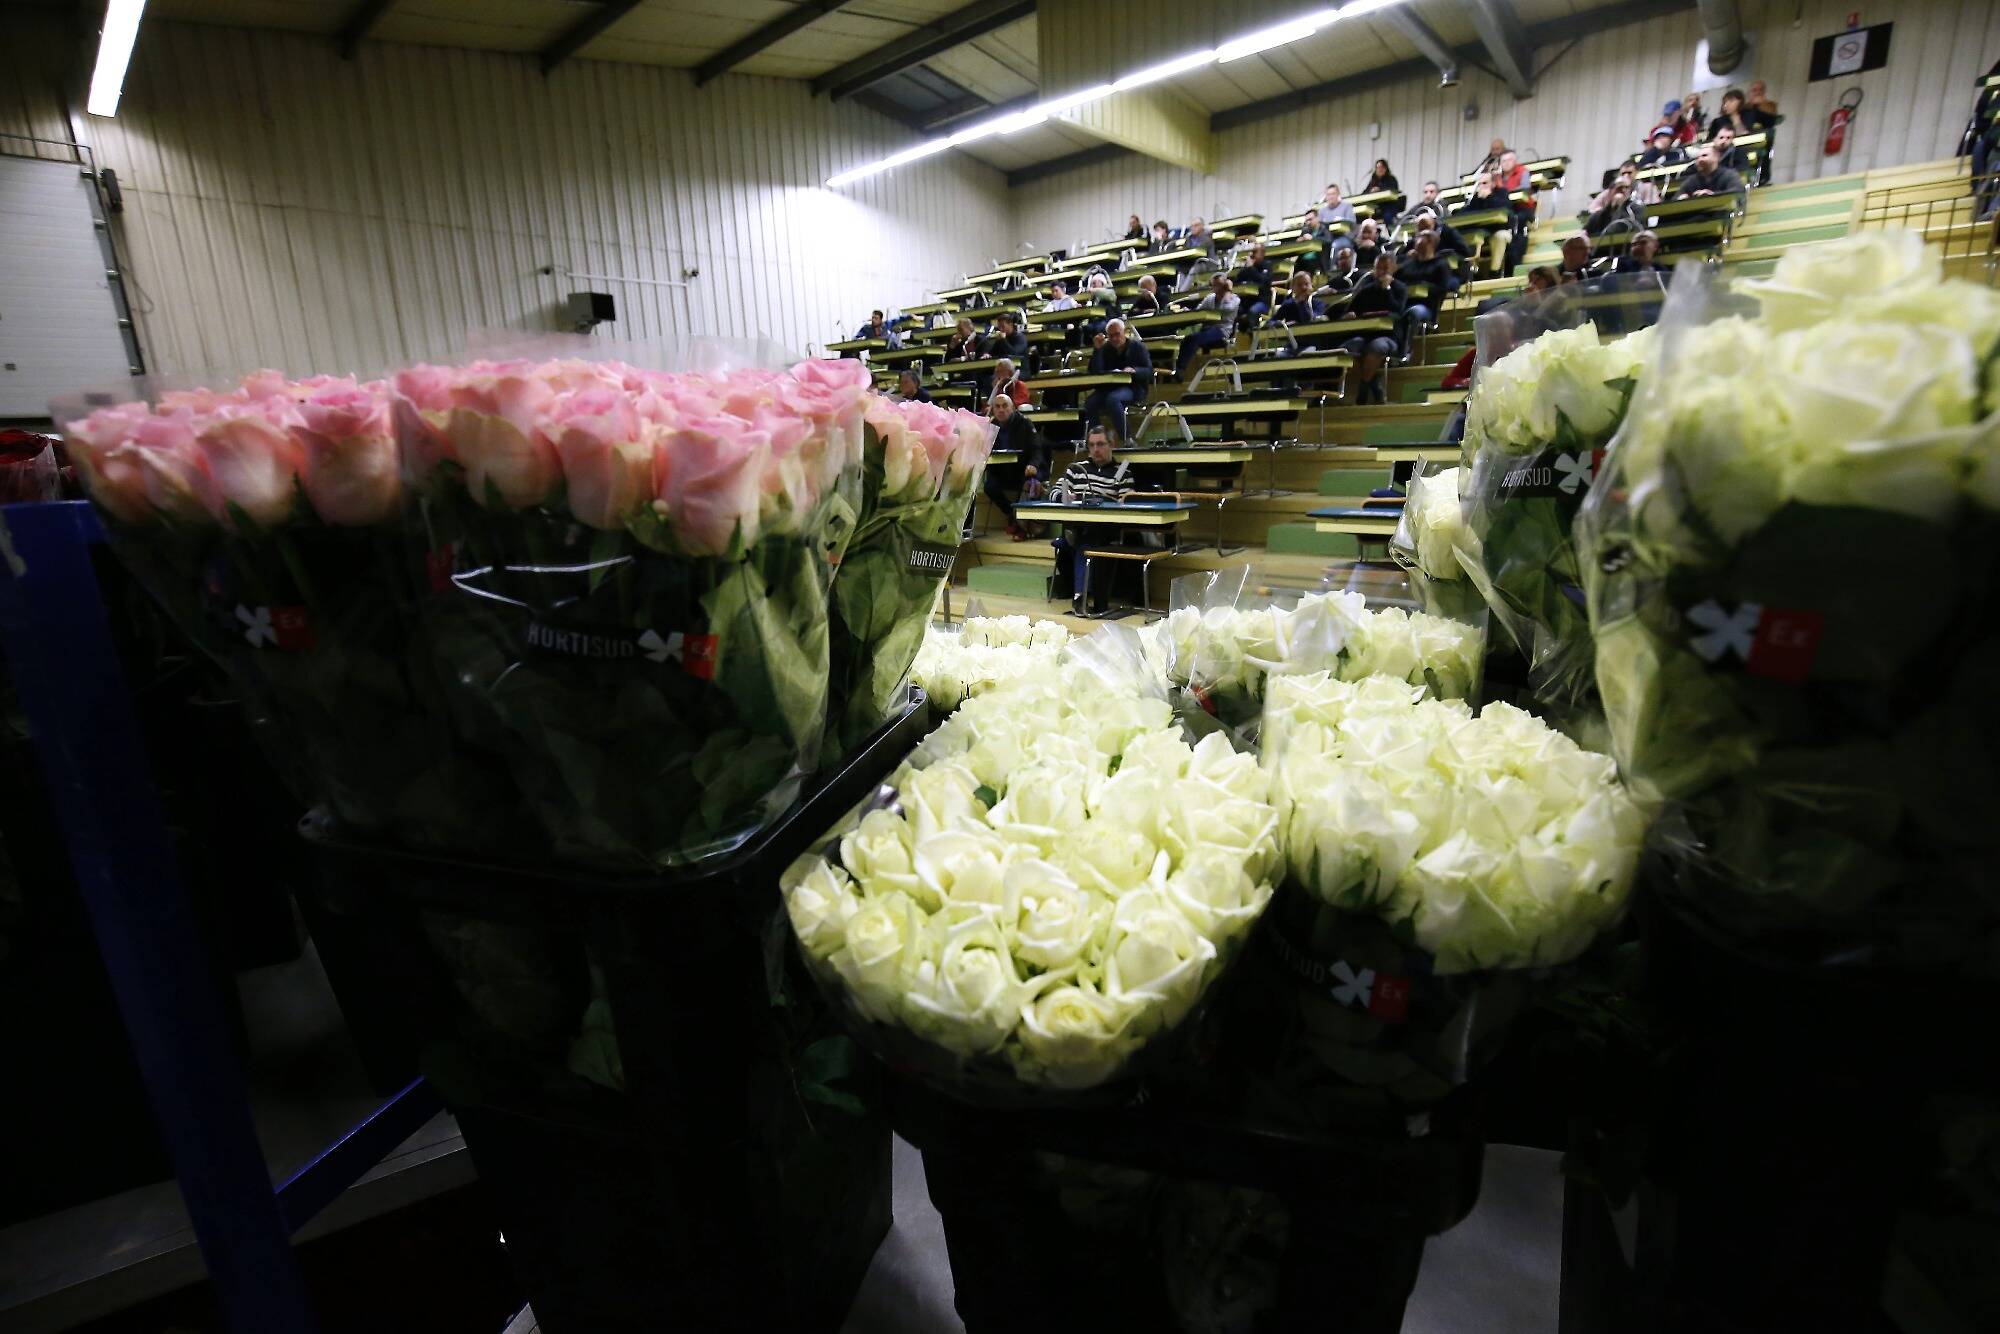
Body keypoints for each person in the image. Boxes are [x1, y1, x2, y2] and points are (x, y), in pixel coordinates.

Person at [1048, 426, 1134, 614]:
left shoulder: (1122, 473)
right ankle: (1081, 596)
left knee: (1086, 539)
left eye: (1101, 444)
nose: (1096, 449)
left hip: (1106, 529)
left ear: (1111, 445)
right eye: (1092, 445)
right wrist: (1065, 497)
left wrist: (1125, 499)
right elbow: (1054, 493)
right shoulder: (1076, 470)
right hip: (1077, 525)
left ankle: (1080, 597)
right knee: (1085, 538)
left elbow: (1128, 503)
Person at [1342, 252, 1407, 403]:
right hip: (1364, 334)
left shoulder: (1400, 288)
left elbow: (1398, 312)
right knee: (1346, 350)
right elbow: (1349, 311)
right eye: (1379, 268)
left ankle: (1363, 391)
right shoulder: (1366, 290)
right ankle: (1373, 383)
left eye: (1386, 268)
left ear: (1394, 269)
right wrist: (1350, 314)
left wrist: (1387, 290)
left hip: (1389, 336)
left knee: (1375, 348)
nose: (1382, 272)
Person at [983, 393, 1049, 540]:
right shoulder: (991, 426)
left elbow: (1036, 449)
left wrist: (1033, 464)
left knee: (1026, 483)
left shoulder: (1024, 423)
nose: (1001, 410)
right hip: (1003, 471)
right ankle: (1012, 514)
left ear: (1012, 408)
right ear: (993, 409)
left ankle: (1022, 526)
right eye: (997, 407)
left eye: (1005, 406)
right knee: (989, 487)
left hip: (1024, 469)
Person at [1082, 318, 1153, 438]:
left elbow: (1149, 371)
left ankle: (1127, 439)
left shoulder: (1137, 347)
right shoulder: (1104, 349)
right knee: (1090, 402)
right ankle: (1098, 439)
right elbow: (1095, 372)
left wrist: (1134, 370)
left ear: (1124, 332)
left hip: (1133, 388)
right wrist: (1097, 350)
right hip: (1109, 387)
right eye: (1111, 336)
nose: (1114, 338)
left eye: (1117, 334)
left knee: (1113, 399)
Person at [1177, 274, 1240, 376]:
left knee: (1195, 339)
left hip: (1222, 332)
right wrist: (1189, 311)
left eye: (1218, 285)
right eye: (1214, 285)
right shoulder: (1210, 298)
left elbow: (1227, 308)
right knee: (1187, 339)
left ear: (1225, 285)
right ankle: (1179, 370)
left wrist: (1227, 293)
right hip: (1207, 330)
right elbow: (1199, 311)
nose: (1215, 288)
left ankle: (1182, 370)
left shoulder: (1234, 299)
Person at [1397, 229, 1455, 306]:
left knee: (1414, 312)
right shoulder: (1408, 263)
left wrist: (1422, 289)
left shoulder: (1441, 264)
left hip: (1426, 304)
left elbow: (1442, 289)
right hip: (1403, 303)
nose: (1415, 240)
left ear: (1430, 242)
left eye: (1419, 237)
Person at [1674, 143, 1743, 200]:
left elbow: (1737, 191)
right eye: (1697, 158)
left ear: (1716, 157)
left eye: (1704, 156)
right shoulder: (1692, 180)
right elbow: (1676, 197)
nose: (1700, 159)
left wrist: (1712, 195)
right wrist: (1681, 198)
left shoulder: (1729, 175)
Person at [1231, 243, 1276, 325]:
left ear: (1262, 254)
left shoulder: (1267, 265)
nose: (1251, 254)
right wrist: (1247, 268)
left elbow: (1263, 282)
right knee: (1232, 310)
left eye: (1254, 252)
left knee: (1253, 311)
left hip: (1262, 301)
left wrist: (1251, 269)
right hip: (1246, 302)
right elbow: (1236, 283)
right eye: (1251, 252)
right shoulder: (1246, 268)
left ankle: (1254, 335)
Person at [1591, 161, 1660, 211]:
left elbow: (1652, 205)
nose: (1626, 176)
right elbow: (1593, 207)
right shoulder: (1611, 191)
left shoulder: (1648, 187)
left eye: (1629, 173)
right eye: (1623, 174)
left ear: (1637, 172)